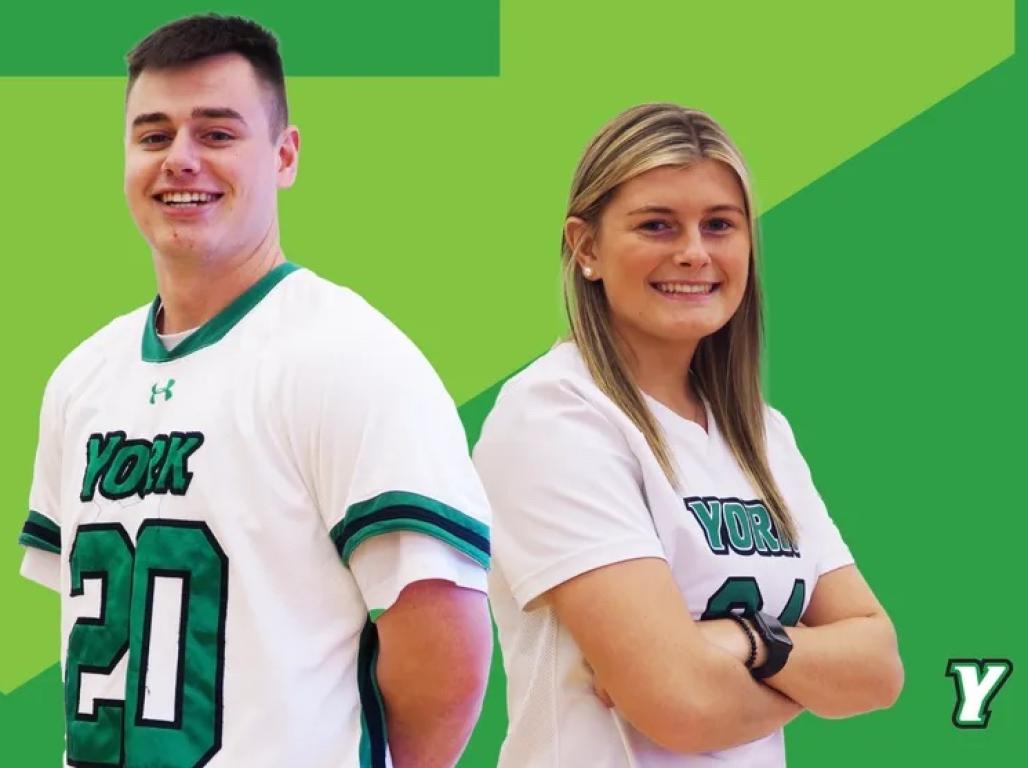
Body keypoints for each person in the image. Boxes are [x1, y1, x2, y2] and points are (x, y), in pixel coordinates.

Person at [15, 14, 492, 768]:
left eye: (216, 133)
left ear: (285, 154)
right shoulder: (82, 379)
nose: (181, 160)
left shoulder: (352, 358)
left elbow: (447, 656)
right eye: (153, 135)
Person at [473, 103, 904, 766]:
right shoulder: (555, 416)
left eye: (720, 225)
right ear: (586, 247)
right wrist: (809, 679)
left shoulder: (761, 434)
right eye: (657, 225)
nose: (694, 253)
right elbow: (681, 706)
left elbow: (879, 666)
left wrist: (747, 643)